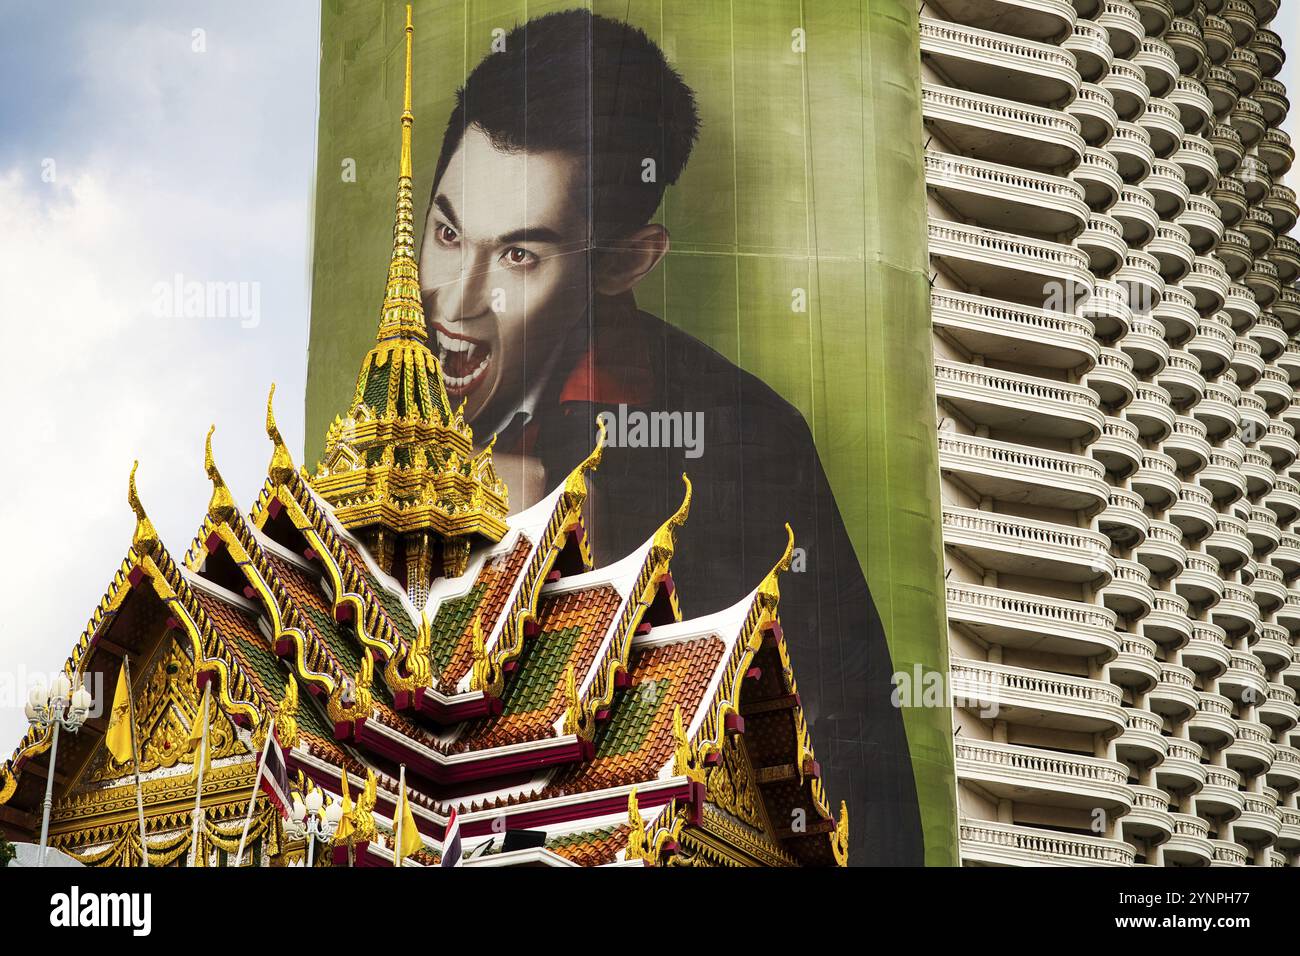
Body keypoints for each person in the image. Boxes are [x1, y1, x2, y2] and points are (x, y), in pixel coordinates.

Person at [418, 8, 922, 865]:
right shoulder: (383, 403)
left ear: (623, 263)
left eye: (519, 257)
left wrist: (551, 535)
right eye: (447, 232)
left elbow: (856, 778)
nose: (454, 303)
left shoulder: (744, 443)